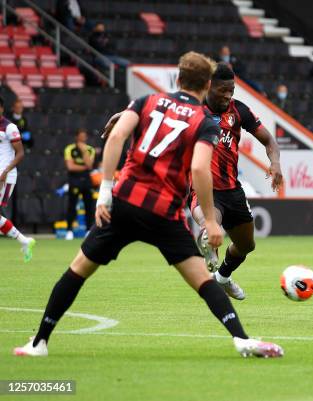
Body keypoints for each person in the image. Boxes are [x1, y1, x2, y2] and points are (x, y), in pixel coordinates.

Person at [13, 52, 283, 358]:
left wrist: (104, 192)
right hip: (163, 211)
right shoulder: (203, 121)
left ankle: (39, 343)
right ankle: (242, 340)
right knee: (201, 280)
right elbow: (198, 169)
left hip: (125, 203)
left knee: (78, 270)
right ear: (206, 84)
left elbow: (116, 137)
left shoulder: (146, 102)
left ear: (177, 79)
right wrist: (209, 220)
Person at [191, 63, 283, 300]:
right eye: (223, 90)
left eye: (231, 90)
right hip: (204, 185)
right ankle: (206, 237)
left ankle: (222, 277)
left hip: (233, 189)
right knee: (211, 221)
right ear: (209, 86)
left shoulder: (239, 110)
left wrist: (275, 164)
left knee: (246, 246)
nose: (228, 95)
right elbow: (153, 112)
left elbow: (269, 141)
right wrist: (127, 115)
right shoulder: (192, 109)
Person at [0, 97, 35, 262]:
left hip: (6, 175)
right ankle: (25, 241)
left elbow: (20, 153)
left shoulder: (10, 127)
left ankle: (24, 241)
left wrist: (6, 170)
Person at [64, 129, 96, 240]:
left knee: (89, 206)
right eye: (81, 136)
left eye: (85, 136)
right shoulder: (70, 149)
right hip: (74, 180)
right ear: (77, 137)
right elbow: (70, 167)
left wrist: (84, 151)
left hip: (87, 180)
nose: (83, 138)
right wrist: (84, 167)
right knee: (72, 206)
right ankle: (69, 231)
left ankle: (88, 231)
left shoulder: (90, 150)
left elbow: (90, 165)